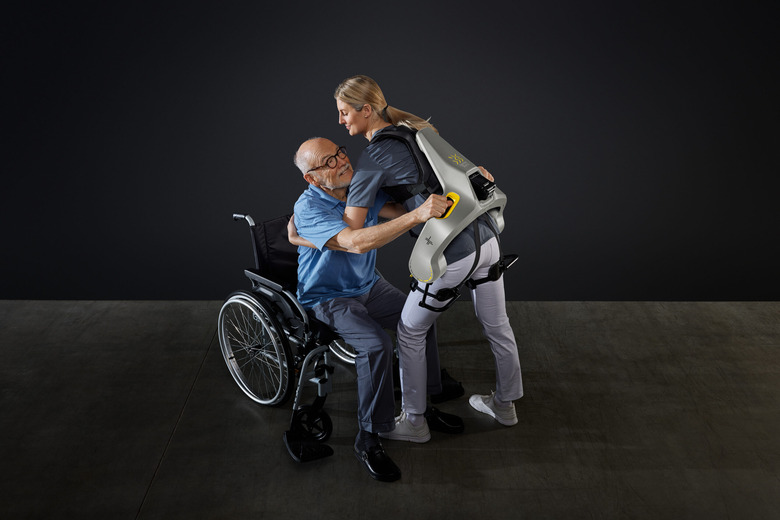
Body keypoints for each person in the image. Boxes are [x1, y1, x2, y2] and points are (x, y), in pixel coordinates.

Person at [333, 75, 524, 441]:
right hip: (487, 239)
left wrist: (347, 198)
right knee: (497, 325)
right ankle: (505, 405)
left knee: (409, 332)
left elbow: (352, 228)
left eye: (344, 113)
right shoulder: (419, 130)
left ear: (366, 110)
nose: (341, 121)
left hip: (449, 251)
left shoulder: (373, 155)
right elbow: (470, 175)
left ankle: (415, 422)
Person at [290, 136, 454, 482]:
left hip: (369, 287)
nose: (341, 161)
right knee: (378, 345)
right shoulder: (308, 207)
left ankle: (422, 404)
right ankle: (369, 436)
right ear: (312, 177)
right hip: (329, 297)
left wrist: (448, 193)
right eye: (328, 162)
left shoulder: (357, 189)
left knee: (421, 316)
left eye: (340, 152)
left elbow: (402, 212)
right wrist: (417, 216)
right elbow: (356, 243)